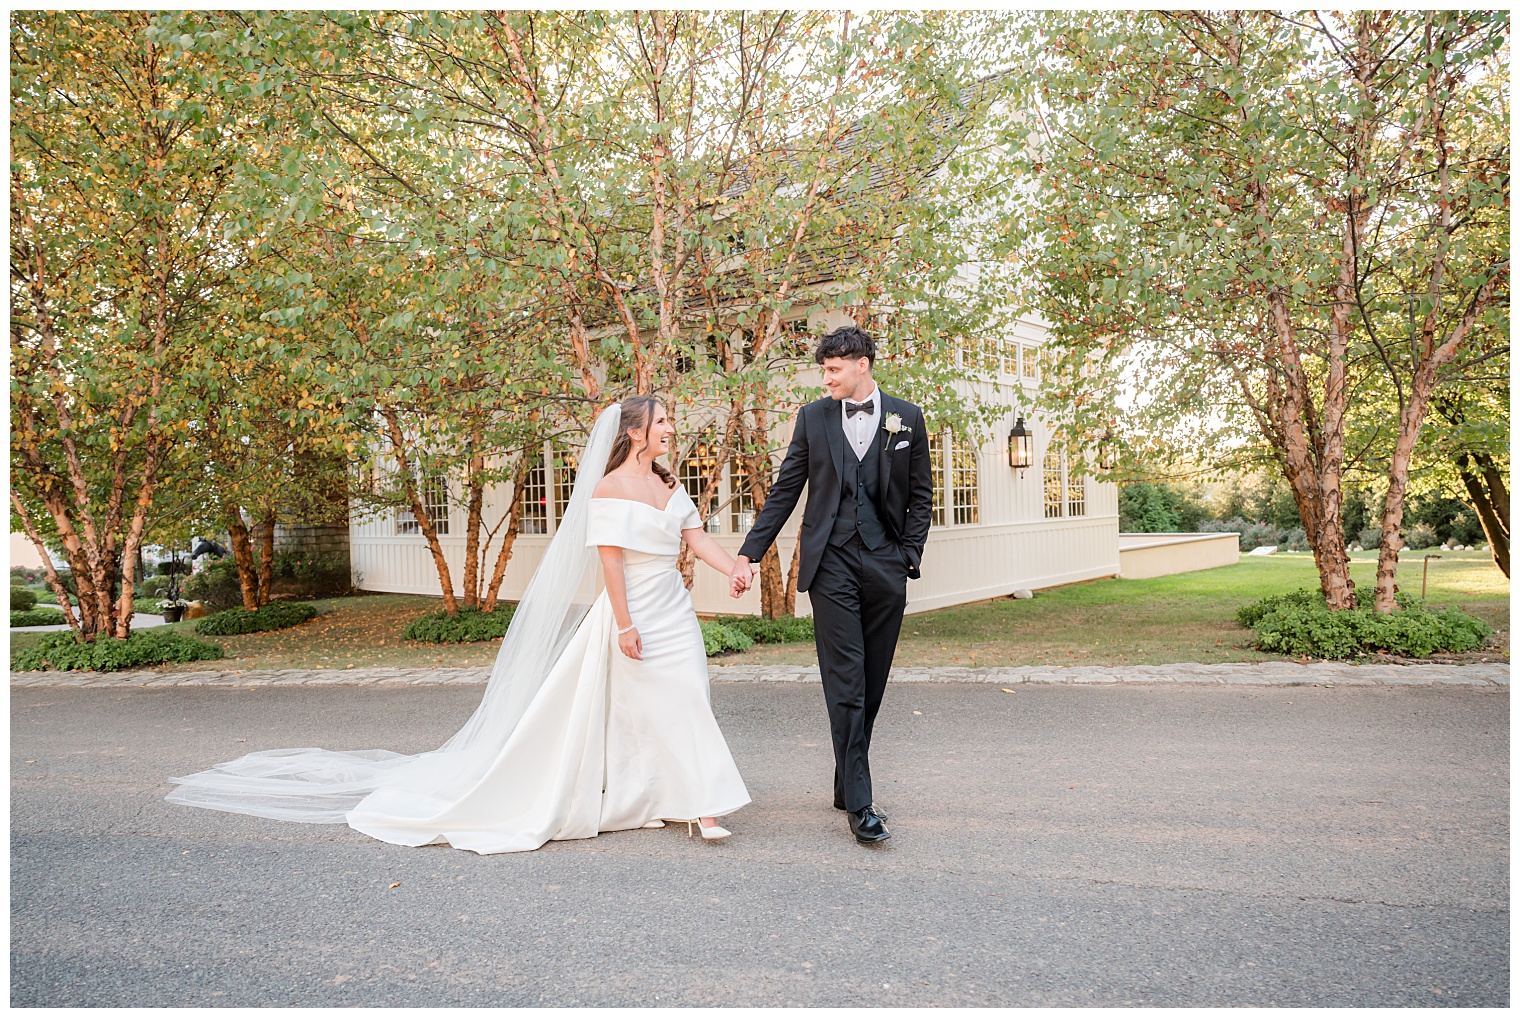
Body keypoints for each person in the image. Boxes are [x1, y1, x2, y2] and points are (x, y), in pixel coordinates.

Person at [166, 397, 751, 853]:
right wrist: (624, 624)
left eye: (669, 419)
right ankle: (704, 807)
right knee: (669, 702)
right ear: (633, 432)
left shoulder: (670, 484)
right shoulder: (608, 488)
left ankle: (658, 795)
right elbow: (611, 565)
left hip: (674, 612)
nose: (671, 427)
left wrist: (736, 569)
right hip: (635, 614)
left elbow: (695, 540)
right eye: (663, 419)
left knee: (685, 695)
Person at [727, 325, 932, 845]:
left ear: (862, 364)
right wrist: (750, 553)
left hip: (886, 564)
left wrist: (908, 555)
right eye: (825, 370)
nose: (827, 378)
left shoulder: (906, 418)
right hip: (831, 565)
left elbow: (921, 495)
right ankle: (861, 805)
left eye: (834, 369)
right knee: (846, 680)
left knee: (873, 681)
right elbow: (786, 491)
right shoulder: (813, 419)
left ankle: (846, 778)